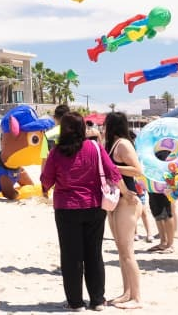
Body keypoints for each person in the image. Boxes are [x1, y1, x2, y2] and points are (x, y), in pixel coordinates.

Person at [40, 112, 121, 313]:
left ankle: (76, 303)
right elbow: (114, 173)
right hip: (94, 206)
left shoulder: (57, 152)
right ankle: (98, 301)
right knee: (94, 253)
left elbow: (46, 180)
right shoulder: (95, 147)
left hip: (66, 208)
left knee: (71, 256)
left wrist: (45, 189)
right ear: (82, 128)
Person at [102, 112, 144, 309]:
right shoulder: (113, 145)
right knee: (121, 251)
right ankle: (127, 293)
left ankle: (137, 297)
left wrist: (114, 168)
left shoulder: (124, 144)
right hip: (116, 201)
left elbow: (137, 170)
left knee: (127, 252)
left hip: (128, 201)